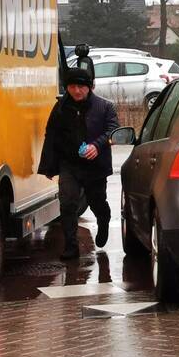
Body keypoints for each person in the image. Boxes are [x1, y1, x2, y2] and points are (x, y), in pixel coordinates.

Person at [38, 67, 120, 260]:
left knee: (96, 202)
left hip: (95, 166)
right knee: (67, 204)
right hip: (69, 165)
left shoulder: (104, 107)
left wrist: (97, 146)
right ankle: (71, 246)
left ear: (90, 87)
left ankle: (104, 220)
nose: (76, 91)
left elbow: (113, 129)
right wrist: (49, 165)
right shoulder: (60, 107)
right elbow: (51, 135)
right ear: (67, 87)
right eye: (72, 86)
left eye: (81, 87)